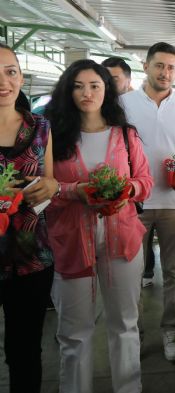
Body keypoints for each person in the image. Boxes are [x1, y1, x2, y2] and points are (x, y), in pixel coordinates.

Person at [45, 59, 152, 393]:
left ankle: (128, 388)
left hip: (123, 240)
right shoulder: (52, 134)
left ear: (108, 89)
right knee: (75, 332)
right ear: (68, 90)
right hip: (72, 242)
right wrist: (73, 191)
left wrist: (128, 190)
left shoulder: (125, 134)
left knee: (125, 324)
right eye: (78, 86)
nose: (86, 93)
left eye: (95, 85)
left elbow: (144, 181)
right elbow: (42, 189)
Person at [120, 42, 175, 361]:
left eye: (171, 68)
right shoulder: (124, 104)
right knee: (133, 272)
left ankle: (171, 331)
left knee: (173, 271)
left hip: (173, 200)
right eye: (160, 66)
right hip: (133, 202)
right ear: (146, 66)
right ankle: (135, 334)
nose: (165, 73)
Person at [0, 42, 58, 393]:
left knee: (24, 350)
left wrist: (50, 184)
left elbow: (49, 180)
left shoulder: (40, 127)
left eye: (10, 71)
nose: (3, 81)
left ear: (21, 76)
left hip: (30, 255)